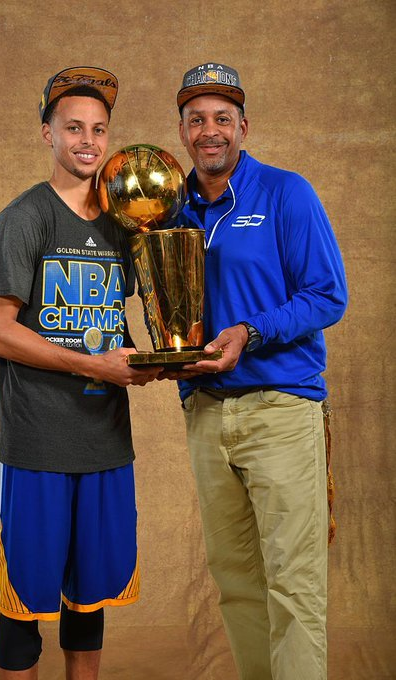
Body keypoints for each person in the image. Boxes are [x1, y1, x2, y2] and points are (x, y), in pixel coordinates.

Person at [0, 66, 161, 680]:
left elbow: (109, 324)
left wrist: (144, 361)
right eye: (74, 127)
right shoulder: (24, 216)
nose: (88, 140)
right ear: (47, 134)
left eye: (99, 129)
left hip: (104, 441)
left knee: (89, 599)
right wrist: (92, 364)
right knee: (24, 605)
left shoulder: (123, 223)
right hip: (36, 442)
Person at [170, 62, 348, 679]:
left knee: (294, 585)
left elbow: (328, 295)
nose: (209, 131)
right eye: (197, 119)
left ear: (243, 127)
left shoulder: (285, 192)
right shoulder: (171, 210)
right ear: (183, 132)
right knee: (236, 582)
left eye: (222, 118)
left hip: (280, 409)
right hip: (206, 413)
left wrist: (250, 331)